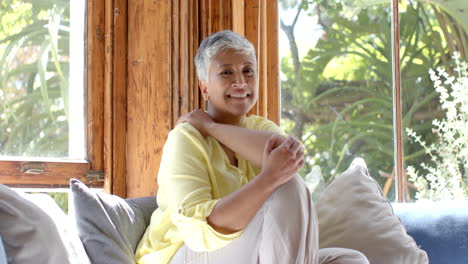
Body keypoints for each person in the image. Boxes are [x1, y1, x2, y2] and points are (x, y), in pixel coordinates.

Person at [135, 30, 369, 264]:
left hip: (246, 251)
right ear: (204, 87)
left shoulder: (260, 127)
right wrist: (268, 179)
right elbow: (199, 233)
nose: (240, 82)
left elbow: (286, 156)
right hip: (184, 253)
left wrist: (213, 128)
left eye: (248, 71)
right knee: (287, 185)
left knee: (350, 260)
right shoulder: (186, 138)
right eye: (226, 72)